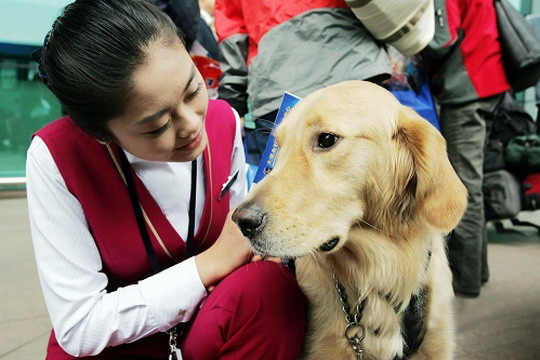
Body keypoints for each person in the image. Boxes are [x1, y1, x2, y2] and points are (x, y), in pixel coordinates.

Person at [27, 0, 306, 358]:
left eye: (192, 90)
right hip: (112, 349)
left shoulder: (223, 121)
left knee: (267, 286)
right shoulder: (56, 156)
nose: (192, 124)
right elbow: (80, 327)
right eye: (157, 125)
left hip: (200, 333)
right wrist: (210, 263)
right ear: (100, 133)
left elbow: (240, 250)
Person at [214, 0, 392, 165]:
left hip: (278, 83)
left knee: (286, 192)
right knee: (384, 181)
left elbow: (232, 30)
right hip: (354, 64)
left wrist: (233, 98)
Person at [422, 0, 511, 297]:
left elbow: (442, 39)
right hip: (487, 82)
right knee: (474, 182)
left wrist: (410, 42)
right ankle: (478, 271)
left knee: (463, 187)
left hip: (467, 87)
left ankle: (463, 281)